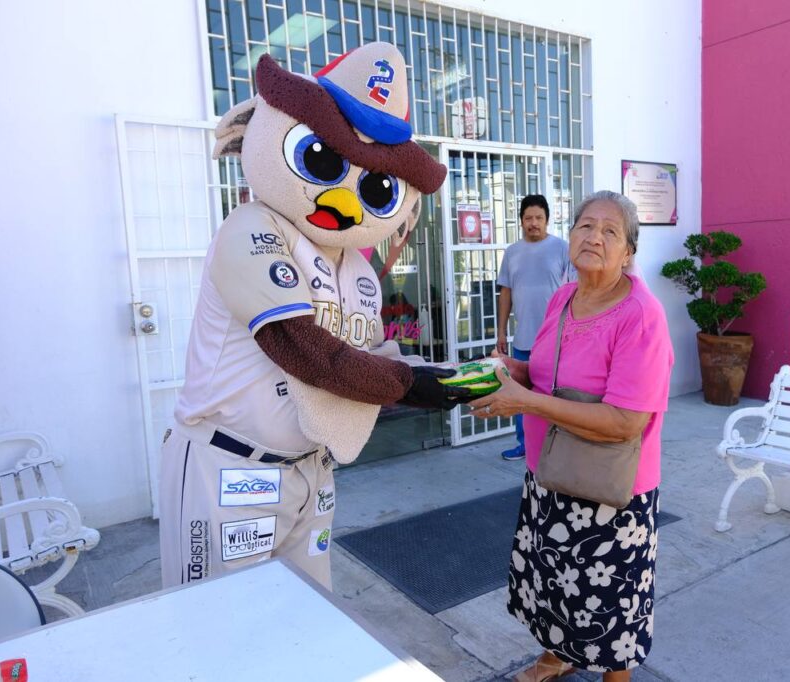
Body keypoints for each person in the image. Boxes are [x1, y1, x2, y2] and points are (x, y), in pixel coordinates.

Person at [158, 44, 469, 593]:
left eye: (375, 186)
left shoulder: (359, 270)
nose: (347, 202)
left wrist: (452, 379)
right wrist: (415, 386)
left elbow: (365, 361)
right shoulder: (252, 227)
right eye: (324, 161)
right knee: (218, 633)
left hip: (311, 468)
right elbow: (303, 350)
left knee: (308, 617)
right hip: (230, 468)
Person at [472, 190, 674, 681]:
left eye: (610, 231)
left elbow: (628, 422)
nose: (594, 237)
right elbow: (542, 375)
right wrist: (508, 370)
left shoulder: (640, 316)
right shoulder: (564, 297)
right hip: (550, 474)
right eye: (586, 225)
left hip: (609, 492)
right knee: (554, 585)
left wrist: (527, 403)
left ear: (628, 252)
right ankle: (555, 656)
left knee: (609, 611)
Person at [495, 194, 570, 461]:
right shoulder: (512, 252)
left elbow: (575, 291)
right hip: (523, 338)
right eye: (528, 218)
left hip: (556, 339)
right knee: (519, 394)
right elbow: (505, 293)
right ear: (521, 221)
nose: (534, 223)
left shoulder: (562, 248)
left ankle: (556, 444)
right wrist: (502, 331)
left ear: (547, 220)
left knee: (555, 394)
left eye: (539, 218)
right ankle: (524, 445)